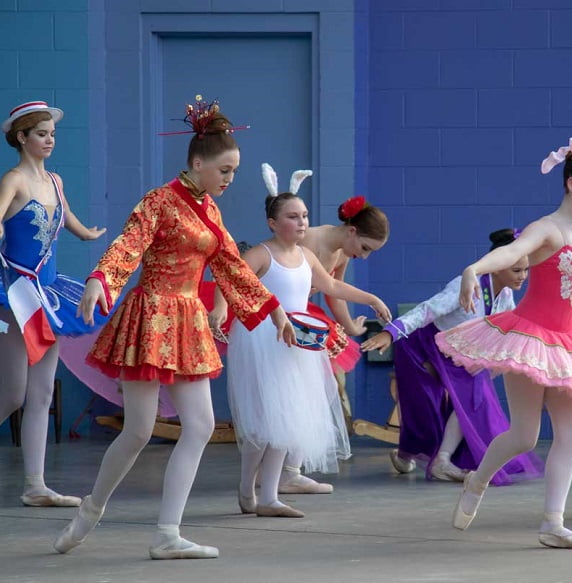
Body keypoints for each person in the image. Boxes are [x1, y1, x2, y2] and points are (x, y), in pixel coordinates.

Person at [53, 97, 295, 560]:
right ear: (198, 162)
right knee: (140, 430)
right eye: (224, 169)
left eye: (234, 171)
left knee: (200, 426)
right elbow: (128, 245)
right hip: (150, 316)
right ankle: (92, 507)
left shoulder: (211, 212)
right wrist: (99, 279)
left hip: (187, 322)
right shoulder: (159, 201)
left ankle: (167, 533)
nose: (229, 179)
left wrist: (276, 312)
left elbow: (231, 267)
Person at [435, 138, 572, 550]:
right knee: (524, 435)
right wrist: (474, 268)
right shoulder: (546, 228)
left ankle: (552, 523)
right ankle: (477, 481)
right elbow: (513, 252)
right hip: (530, 336)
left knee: (570, 433)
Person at [0, 100, 107, 507]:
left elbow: (66, 217)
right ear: (22, 138)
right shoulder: (14, 178)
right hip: (15, 294)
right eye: (41, 134)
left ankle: (35, 486)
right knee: (15, 393)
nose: (50, 140)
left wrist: (86, 234)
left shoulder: (55, 180)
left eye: (52, 134)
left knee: (41, 395)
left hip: (49, 294)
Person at [214, 163, 391, 518]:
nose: (302, 223)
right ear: (273, 223)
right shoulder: (263, 254)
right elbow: (229, 278)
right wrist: (219, 310)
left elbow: (332, 287)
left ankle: (268, 496)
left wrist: (370, 299)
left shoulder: (307, 256)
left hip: (298, 341)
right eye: (293, 217)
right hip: (263, 340)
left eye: (305, 216)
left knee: (288, 417)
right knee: (264, 422)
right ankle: (248, 487)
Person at [361, 228, 544, 485]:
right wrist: (390, 334)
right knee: (424, 406)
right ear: (497, 266)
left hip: (459, 353)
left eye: (526, 270)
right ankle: (419, 457)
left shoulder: (505, 294)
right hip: (425, 345)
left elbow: (508, 328)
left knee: (474, 393)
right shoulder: (464, 284)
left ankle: (436, 460)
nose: (523, 276)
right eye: (516, 270)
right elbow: (426, 310)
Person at [273, 194, 390, 495]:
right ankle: (275, 471)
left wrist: (350, 326)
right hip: (281, 314)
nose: (363, 256)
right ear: (352, 231)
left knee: (314, 391)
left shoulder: (342, 253)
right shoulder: (310, 239)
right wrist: (372, 299)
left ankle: (290, 470)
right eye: (365, 248)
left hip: (303, 316)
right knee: (286, 393)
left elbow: (333, 293)